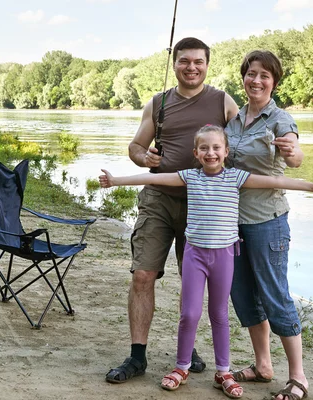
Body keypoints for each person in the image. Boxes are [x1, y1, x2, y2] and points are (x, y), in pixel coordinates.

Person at [99, 125, 313, 398]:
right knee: (189, 314)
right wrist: (116, 181)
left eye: (216, 148)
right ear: (196, 153)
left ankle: (224, 371)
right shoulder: (190, 177)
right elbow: (156, 179)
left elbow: (275, 182)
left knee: (219, 315)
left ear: (226, 152)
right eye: (205, 149)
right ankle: (181, 367)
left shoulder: (236, 177)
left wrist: (312, 186)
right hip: (195, 255)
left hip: (223, 256)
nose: (211, 153)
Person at [104, 37, 239, 384]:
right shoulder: (158, 103)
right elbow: (136, 146)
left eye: (198, 61)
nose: (191, 67)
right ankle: (137, 357)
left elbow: (242, 147)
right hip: (158, 199)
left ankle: (187, 348)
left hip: (203, 205)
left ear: (207, 64)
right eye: (184, 61)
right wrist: (143, 157)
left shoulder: (224, 102)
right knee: (142, 275)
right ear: (175, 62)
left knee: (190, 280)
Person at [224, 50, 313, 400]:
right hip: (233, 223)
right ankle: (263, 366)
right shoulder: (234, 120)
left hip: (268, 222)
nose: (256, 80)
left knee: (275, 296)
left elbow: (295, 154)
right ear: (244, 77)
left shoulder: (281, 119)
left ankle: (299, 377)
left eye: (264, 75)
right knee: (244, 296)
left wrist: (293, 153)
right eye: (251, 73)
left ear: (274, 81)